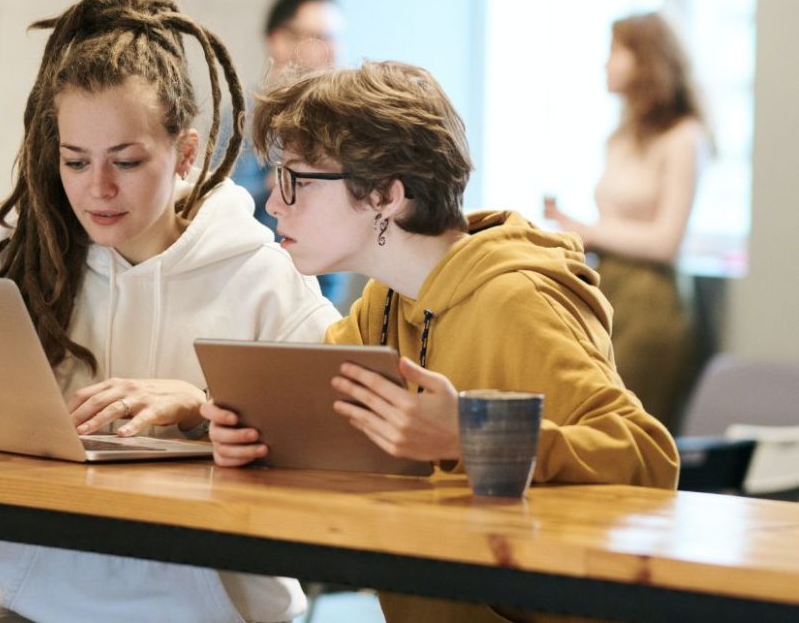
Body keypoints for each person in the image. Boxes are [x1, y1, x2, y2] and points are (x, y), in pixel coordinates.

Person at [0, 0, 340, 623]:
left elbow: (341, 444)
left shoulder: (262, 276)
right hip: (37, 607)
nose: (97, 188)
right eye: (75, 161)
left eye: (126, 161)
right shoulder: (3, 270)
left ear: (185, 153)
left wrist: (199, 408)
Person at [202, 60, 679, 622]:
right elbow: (315, 412)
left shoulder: (516, 300)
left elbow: (649, 460)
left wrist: (469, 435)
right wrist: (204, 412)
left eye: (297, 180)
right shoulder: (383, 304)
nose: (275, 203)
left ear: (385, 194)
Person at [545, 11, 712, 429]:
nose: (606, 63)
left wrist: (590, 230)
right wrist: (574, 231)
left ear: (648, 61)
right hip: (608, 288)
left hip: (653, 300)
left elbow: (666, 242)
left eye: (616, 52)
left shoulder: (684, 139)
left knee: (626, 429)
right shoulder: (620, 137)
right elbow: (614, 226)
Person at [229, 0, 350, 306]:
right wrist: (288, 179)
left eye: (336, 38)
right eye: (320, 38)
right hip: (253, 285)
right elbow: (225, 204)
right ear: (280, 40)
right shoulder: (246, 117)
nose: (332, 52)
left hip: (325, 289)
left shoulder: (341, 119)